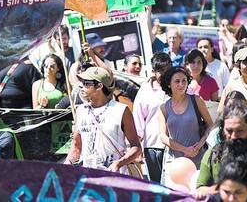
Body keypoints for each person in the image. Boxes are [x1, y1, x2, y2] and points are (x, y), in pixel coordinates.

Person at [64, 67, 141, 175]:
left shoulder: (121, 110)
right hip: (90, 179)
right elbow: (76, 146)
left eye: (86, 83)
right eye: (81, 82)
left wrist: (119, 163)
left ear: (99, 86)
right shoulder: (81, 111)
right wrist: (68, 163)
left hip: (116, 177)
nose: (81, 86)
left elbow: (136, 147)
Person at [158, 66, 213, 185]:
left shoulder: (197, 100)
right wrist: (185, 149)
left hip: (199, 159)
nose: (181, 84)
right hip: (175, 162)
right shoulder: (163, 108)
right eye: (177, 81)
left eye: (184, 81)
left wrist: (200, 144)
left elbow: (210, 125)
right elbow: (163, 137)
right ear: (169, 84)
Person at [133, 52, 172, 182]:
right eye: (161, 71)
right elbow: (138, 121)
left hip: (178, 144)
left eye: (167, 70)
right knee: (157, 186)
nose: (165, 74)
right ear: (153, 71)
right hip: (153, 146)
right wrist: (136, 147)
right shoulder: (145, 91)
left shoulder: (179, 85)